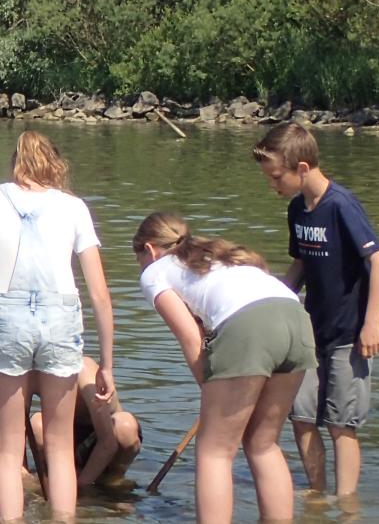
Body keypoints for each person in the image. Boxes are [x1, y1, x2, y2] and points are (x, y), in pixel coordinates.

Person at [0, 130, 115, 520]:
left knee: (9, 448)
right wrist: (107, 363)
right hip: (61, 316)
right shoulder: (74, 207)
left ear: (16, 164)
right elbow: (99, 293)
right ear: (54, 165)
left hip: (5, 314)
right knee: (60, 446)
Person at [132, 212, 314, 524]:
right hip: (295, 318)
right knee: (262, 443)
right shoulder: (216, 255)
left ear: (149, 250)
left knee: (214, 451)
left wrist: (210, 388)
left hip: (250, 327)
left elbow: (190, 337)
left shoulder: (154, 272)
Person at [252, 122, 379, 496]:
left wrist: (372, 323)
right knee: (300, 416)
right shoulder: (298, 209)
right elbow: (299, 265)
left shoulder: (340, 205)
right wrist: (273, 302)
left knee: (341, 425)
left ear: (301, 169)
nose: (273, 186)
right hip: (309, 332)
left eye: (276, 177)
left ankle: (345, 506)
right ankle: (317, 497)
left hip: (349, 334)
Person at [27, 357, 143, 492]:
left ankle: (112, 480)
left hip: (105, 438)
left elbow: (108, 442)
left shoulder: (83, 372)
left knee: (125, 426)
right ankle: (52, 477)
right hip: (65, 436)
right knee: (36, 424)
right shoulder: (29, 373)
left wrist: (80, 486)